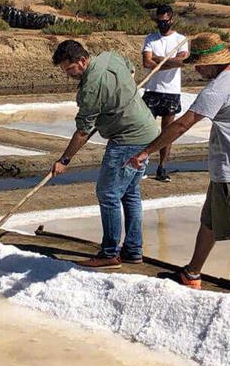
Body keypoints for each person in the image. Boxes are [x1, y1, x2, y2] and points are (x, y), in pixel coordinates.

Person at [126, 33, 230, 314]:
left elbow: (181, 125)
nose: (197, 69)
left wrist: (145, 152)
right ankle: (192, 273)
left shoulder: (217, 88)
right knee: (209, 222)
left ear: (213, 63)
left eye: (200, 64)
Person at [50, 40, 159, 269]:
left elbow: (83, 131)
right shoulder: (110, 56)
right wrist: (118, 94)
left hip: (127, 139)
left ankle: (109, 253)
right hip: (147, 131)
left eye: (70, 69)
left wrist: (64, 160)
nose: (69, 75)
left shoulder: (90, 89)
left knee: (108, 194)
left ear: (82, 60)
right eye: (64, 71)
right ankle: (132, 250)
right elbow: (130, 69)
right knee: (129, 193)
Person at [141, 5, 190, 182]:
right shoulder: (151, 38)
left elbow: (181, 61)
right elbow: (147, 62)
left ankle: (162, 167)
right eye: (159, 21)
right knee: (145, 128)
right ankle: (141, 164)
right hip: (152, 90)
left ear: (171, 19)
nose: (162, 24)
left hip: (171, 91)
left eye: (165, 21)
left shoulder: (181, 39)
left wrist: (159, 59)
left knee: (167, 131)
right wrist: (167, 61)